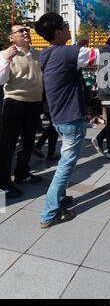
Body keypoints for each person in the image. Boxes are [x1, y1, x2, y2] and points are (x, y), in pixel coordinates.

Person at [34, 12, 101, 228]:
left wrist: (76, 49)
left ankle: (60, 199)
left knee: (65, 162)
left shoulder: (47, 54)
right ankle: (49, 214)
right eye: (64, 25)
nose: (68, 27)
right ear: (58, 32)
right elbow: (103, 56)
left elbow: (67, 60)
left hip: (59, 118)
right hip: (71, 119)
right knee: (66, 165)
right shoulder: (67, 53)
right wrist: (109, 42)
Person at [0, 22, 44, 198]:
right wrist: (6, 58)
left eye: (27, 30)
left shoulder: (39, 54)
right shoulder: (5, 54)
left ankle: (22, 173)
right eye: (21, 30)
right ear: (12, 37)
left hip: (34, 103)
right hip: (14, 103)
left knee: (28, 143)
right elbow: (1, 80)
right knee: (8, 144)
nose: (26, 32)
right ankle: (3, 182)